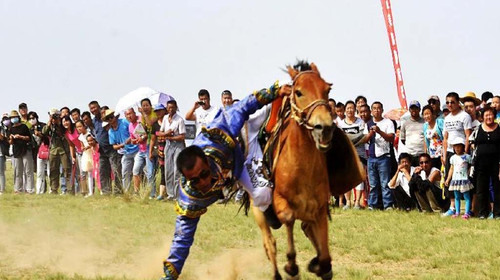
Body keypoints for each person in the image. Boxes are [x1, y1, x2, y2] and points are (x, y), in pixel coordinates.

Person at [161, 81, 290, 280]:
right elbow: (182, 239)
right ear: (187, 180)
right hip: (234, 175)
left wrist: (275, 91)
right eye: (195, 181)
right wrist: (169, 276)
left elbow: (243, 106)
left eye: (204, 174)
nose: (203, 182)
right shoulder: (190, 197)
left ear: (206, 159)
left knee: (262, 193)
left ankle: (272, 216)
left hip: (242, 156)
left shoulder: (218, 133)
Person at [441, 92, 472, 216]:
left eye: (452, 102)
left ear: (458, 103)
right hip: (449, 152)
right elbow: (445, 138)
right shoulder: (447, 118)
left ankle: (468, 209)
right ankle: (453, 207)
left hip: (462, 153)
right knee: (450, 180)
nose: (450, 104)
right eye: (447, 102)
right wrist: (443, 155)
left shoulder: (464, 116)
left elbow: (468, 135)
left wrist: (465, 151)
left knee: (464, 181)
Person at [362, 101, 395, 210]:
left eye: (378, 108)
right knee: (373, 184)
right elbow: (364, 139)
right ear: (371, 111)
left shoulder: (388, 122)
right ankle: (373, 205)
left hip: (384, 156)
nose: (376, 110)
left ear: (382, 110)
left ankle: (388, 205)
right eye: (374, 108)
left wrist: (380, 132)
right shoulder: (368, 124)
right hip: (371, 157)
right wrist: (370, 134)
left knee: (385, 183)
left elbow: (391, 138)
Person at [471, 106, 500, 219]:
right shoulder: (478, 129)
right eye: (486, 115)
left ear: (494, 115)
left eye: (491, 114)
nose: (489, 117)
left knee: (497, 188)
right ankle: (482, 212)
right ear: (482, 117)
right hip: (480, 164)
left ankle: (497, 213)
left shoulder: (499, 128)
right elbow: (473, 143)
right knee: (481, 189)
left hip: (496, 164)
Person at [88, 101, 122, 195]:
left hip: (112, 149)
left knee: (116, 171)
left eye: (95, 107)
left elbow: (117, 116)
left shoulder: (107, 117)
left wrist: (107, 119)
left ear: (99, 107)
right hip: (102, 151)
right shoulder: (94, 121)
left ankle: (118, 192)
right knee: (103, 171)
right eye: (91, 108)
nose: (93, 110)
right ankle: (106, 192)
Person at [337, 101, 366, 209]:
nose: (350, 110)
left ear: (355, 110)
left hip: (359, 154)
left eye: (352, 108)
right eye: (348, 108)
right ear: (345, 110)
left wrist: (349, 140)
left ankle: (357, 202)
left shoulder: (360, 122)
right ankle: (348, 202)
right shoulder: (341, 123)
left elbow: (363, 137)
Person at [158, 100, 186, 200]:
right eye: (169, 108)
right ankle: (170, 194)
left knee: (176, 170)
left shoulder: (179, 120)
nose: (171, 110)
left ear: (176, 107)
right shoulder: (165, 118)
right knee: (168, 170)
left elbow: (182, 136)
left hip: (178, 145)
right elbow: (159, 133)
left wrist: (171, 137)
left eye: (172, 107)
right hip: (168, 145)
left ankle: (177, 195)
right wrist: (167, 134)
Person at [107, 109, 137, 193]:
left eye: (111, 117)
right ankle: (127, 193)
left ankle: (139, 191)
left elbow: (135, 131)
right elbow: (114, 146)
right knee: (125, 173)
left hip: (137, 149)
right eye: (108, 118)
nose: (110, 119)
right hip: (126, 153)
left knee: (137, 171)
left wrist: (130, 139)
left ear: (115, 116)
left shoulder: (124, 122)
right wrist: (123, 144)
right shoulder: (110, 131)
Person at [42, 108, 72, 194]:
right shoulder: (50, 125)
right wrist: (50, 121)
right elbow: (44, 132)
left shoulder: (62, 123)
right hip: (53, 150)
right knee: (53, 170)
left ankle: (69, 189)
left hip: (63, 150)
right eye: (52, 115)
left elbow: (64, 131)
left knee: (67, 169)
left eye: (55, 116)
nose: (54, 117)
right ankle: (54, 189)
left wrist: (59, 123)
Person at [444, 137, 474, 219]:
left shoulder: (467, 157)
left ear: (463, 146)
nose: (457, 148)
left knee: (466, 196)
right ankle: (457, 212)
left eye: (459, 146)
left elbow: (470, 166)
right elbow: (451, 169)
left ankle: (467, 213)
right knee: (456, 197)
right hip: (455, 180)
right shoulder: (453, 158)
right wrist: (448, 179)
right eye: (455, 146)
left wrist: (468, 174)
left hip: (464, 180)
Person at [9, 110, 34, 194]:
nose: (13, 119)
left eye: (14, 117)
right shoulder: (11, 128)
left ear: (18, 118)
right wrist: (11, 138)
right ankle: (18, 189)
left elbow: (28, 138)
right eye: (12, 118)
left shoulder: (24, 126)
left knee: (28, 171)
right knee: (18, 171)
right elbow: (10, 142)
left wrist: (20, 137)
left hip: (25, 149)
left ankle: (29, 189)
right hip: (16, 151)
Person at [126, 107, 150, 194]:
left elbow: (148, 133)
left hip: (147, 148)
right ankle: (136, 191)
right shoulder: (130, 126)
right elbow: (132, 139)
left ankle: (150, 191)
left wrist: (142, 138)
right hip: (140, 150)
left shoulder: (141, 119)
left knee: (149, 172)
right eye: (127, 115)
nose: (129, 116)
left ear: (134, 113)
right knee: (135, 170)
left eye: (130, 113)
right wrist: (134, 141)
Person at [138, 98, 158, 198]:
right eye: (143, 106)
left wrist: (144, 115)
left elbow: (150, 123)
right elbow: (143, 129)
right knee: (150, 172)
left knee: (160, 170)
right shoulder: (142, 116)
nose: (145, 107)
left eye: (147, 105)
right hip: (148, 143)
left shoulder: (155, 113)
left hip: (158, 143)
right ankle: (152, 193)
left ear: (150, 105)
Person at [63, 115, 85, 194]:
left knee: (85, 172)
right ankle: (81, 191)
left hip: (85, 151)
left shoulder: (76, 129)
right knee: (79, 173)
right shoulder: (66, 133)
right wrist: (73, 156)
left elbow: (83, 136)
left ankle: (88, 190)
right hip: (78, 152)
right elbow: (71, 145)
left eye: (67, 121)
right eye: (64, 121)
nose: (65, 123)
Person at [150, 104, 168, 200]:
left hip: (170, 148)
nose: (158, 113)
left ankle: (170, 192)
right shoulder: (155, 124)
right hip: (160, 150)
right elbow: (153, 139)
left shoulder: (169, 121)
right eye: (156, 111)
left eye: (160, 110)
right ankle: (161, 193)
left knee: (171, 171)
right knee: (162, 171)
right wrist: (150, 152)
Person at [399, 100, 425, 165]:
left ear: (419, 109)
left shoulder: (425, 122)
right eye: (412, 108)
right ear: (409, 110)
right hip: (409, 155)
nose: (414, 110)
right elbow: (403, 139)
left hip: (422, 154)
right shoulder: (405, 123)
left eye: (416, 108)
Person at [29, 111, 49, 194]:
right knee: (39, 172)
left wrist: (41, 135)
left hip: (46, 150)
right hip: (36, 153)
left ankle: (51, 190)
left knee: (48, 171)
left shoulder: (43, 126)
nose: (32, 120)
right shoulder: (30, 129)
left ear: (37, 118)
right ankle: (39, 190)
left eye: (33, 118)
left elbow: (48, 137)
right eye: (30, 119)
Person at [75, 120, 95, 197]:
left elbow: (94, 143)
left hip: (92, 153)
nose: (79, 128)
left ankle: (100, 190)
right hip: (86, 155)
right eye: (77, 127)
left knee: (96, 173)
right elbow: (82, 146)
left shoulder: (90, 134)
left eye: (80, 126)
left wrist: (89, 146)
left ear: (84, 126)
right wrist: (83, 148)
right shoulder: (80, 137)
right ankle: (90, 192)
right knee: (88, 173)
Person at [422, 105, 444, 169]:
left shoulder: (440, 122)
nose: (426, 116)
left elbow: (445, 137)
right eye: (424, 114)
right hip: (432, 155)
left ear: (433, 113)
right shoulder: (425, 126)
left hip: (441, 153)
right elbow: (425, 141)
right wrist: (425, 154)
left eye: (428, 113)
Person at [0, 113, 11, 195]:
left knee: (1, 172)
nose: (5, 120)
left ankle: (2, 189)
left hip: (1, 153)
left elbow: (3, 138)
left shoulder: (8, 129)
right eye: (4, 119)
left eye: (6, 118)